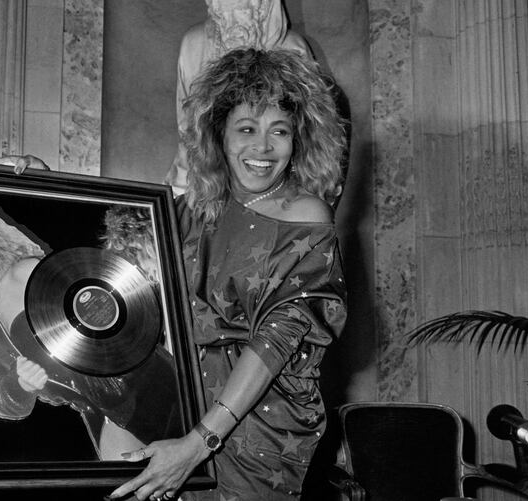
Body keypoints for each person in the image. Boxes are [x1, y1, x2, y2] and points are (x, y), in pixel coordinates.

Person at [101, 48, 349, 500]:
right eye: (247, 129)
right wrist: (14, 180)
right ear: (219, 135)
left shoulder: (307, 215)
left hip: (256, 423)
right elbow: (110, 275)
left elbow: (278, 338)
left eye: (280, 131)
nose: (263, 147)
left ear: (299, 140)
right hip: (173, 399)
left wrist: (200, 442)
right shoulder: (187, 210)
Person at [0, 193, 181, 460]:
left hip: (142, 383)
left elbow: (112, 310)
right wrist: (19, 385)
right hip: (99, 410)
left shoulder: (28, 272)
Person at [165, 0, 312, 196]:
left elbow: (310, 126)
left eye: (242, 11)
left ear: (260, 11)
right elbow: (187, 121)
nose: (233, 22)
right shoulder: (195, 44)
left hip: (273, 168)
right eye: (226, 14)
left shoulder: (292, 49)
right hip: (205, 162)